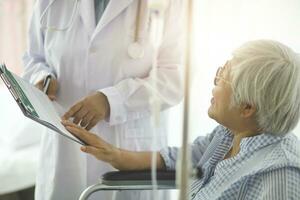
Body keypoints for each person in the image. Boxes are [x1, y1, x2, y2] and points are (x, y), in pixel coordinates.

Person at [63, 40, 300, 199]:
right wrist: (114, 154)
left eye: (222, 77)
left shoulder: (280, 177)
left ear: (247, 107)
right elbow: (180, 158)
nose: (214, 83)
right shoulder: (228, 135)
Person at [22, 0, 184, 200]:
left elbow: (173, 79)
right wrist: (42, 78)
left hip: (129, 147)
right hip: (63, 147)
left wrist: (112, 100)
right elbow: (33, 58)